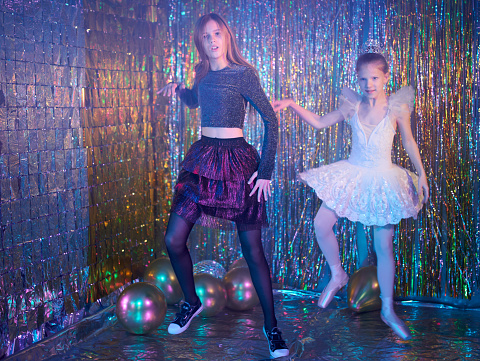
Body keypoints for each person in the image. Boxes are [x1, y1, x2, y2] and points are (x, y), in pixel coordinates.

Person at [272, 43, 429, 340]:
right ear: (357, 80)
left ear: (385, 78)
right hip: (353, 173)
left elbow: (408, 142)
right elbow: (320, 123)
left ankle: (387, 308)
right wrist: (292, 103)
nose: (368, 85)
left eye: (374, 78)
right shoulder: (352, 106)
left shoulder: (396, 109)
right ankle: (338, 273)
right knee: (321, 224)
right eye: (363, 79)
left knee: (383, 246)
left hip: (383, 179)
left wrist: (421, 174)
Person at [158, 13, 289, 358]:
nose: (212, 40)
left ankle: (272, 328)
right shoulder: (202, 73)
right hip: (202, 159)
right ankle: (192, 302)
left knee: (253, 251)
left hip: (238, 163)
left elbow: (271, 121)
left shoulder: (243, 74)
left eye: (217, 34)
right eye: (206, 36)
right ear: (200, 43)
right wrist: (181, 91)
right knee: (173, 239)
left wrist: (265, 171)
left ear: (226, 37)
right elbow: (198, 101)